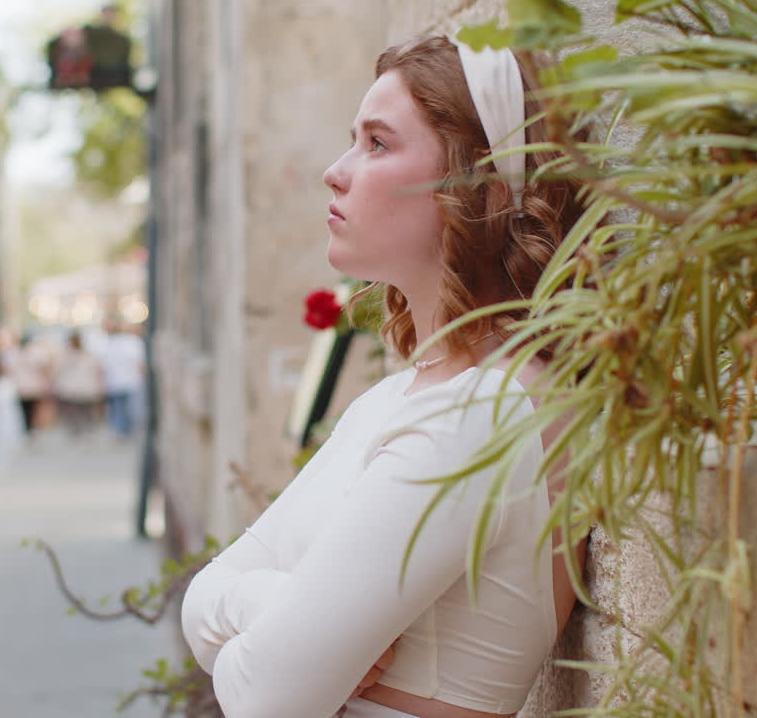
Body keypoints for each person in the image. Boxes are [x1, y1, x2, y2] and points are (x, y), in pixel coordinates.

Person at [180, 36, 589, 718]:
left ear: (480, 189)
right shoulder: (400, 396)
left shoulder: (481, 414)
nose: (334, 173)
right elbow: (208, 592)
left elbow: (262, 694)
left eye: (377, 144)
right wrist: (268, 602)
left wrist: (258, 627)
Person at [53, 331, 105, 437]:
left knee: (73, 410)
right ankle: (86, 429)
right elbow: (97, 370)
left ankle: (77, 429)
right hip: (85, 387)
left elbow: (57, 371)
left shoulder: (65, 355)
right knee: (85, 410)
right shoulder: (88, 355)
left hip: (71, 388)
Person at [100, 321, 144, 440]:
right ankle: (126, 430)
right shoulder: (133, 342)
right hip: (131, 381)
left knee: (119, 408)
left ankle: (121, 431)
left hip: (116, 381)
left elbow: (104, 365)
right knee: (130, 408)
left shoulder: (111, 344)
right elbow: (141, 363)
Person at [7, 332, 52, 439]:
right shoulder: (35, 353)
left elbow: (8, 370)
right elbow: (44, 368)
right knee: (33, 410)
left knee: (25, 411)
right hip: (33, 387)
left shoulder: (14, 354)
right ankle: (32, 430)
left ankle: (28, 429)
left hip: (21, 387)